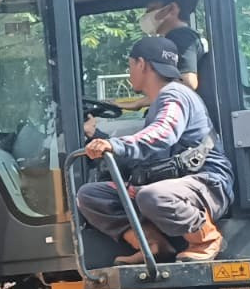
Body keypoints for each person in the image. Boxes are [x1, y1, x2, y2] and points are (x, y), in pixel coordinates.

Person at [77, 35, 233, 263]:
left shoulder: (174, 95)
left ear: (142, 64)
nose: (130, 72)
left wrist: (115, 144)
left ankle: (206, 239)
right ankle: (152, 244)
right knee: (91, 195)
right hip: (172, 186)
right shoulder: (160, 102)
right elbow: (146, 158)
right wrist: (98, 138)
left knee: (153, 196)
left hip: (207, 183)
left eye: (130, 65)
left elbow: (162, 134)